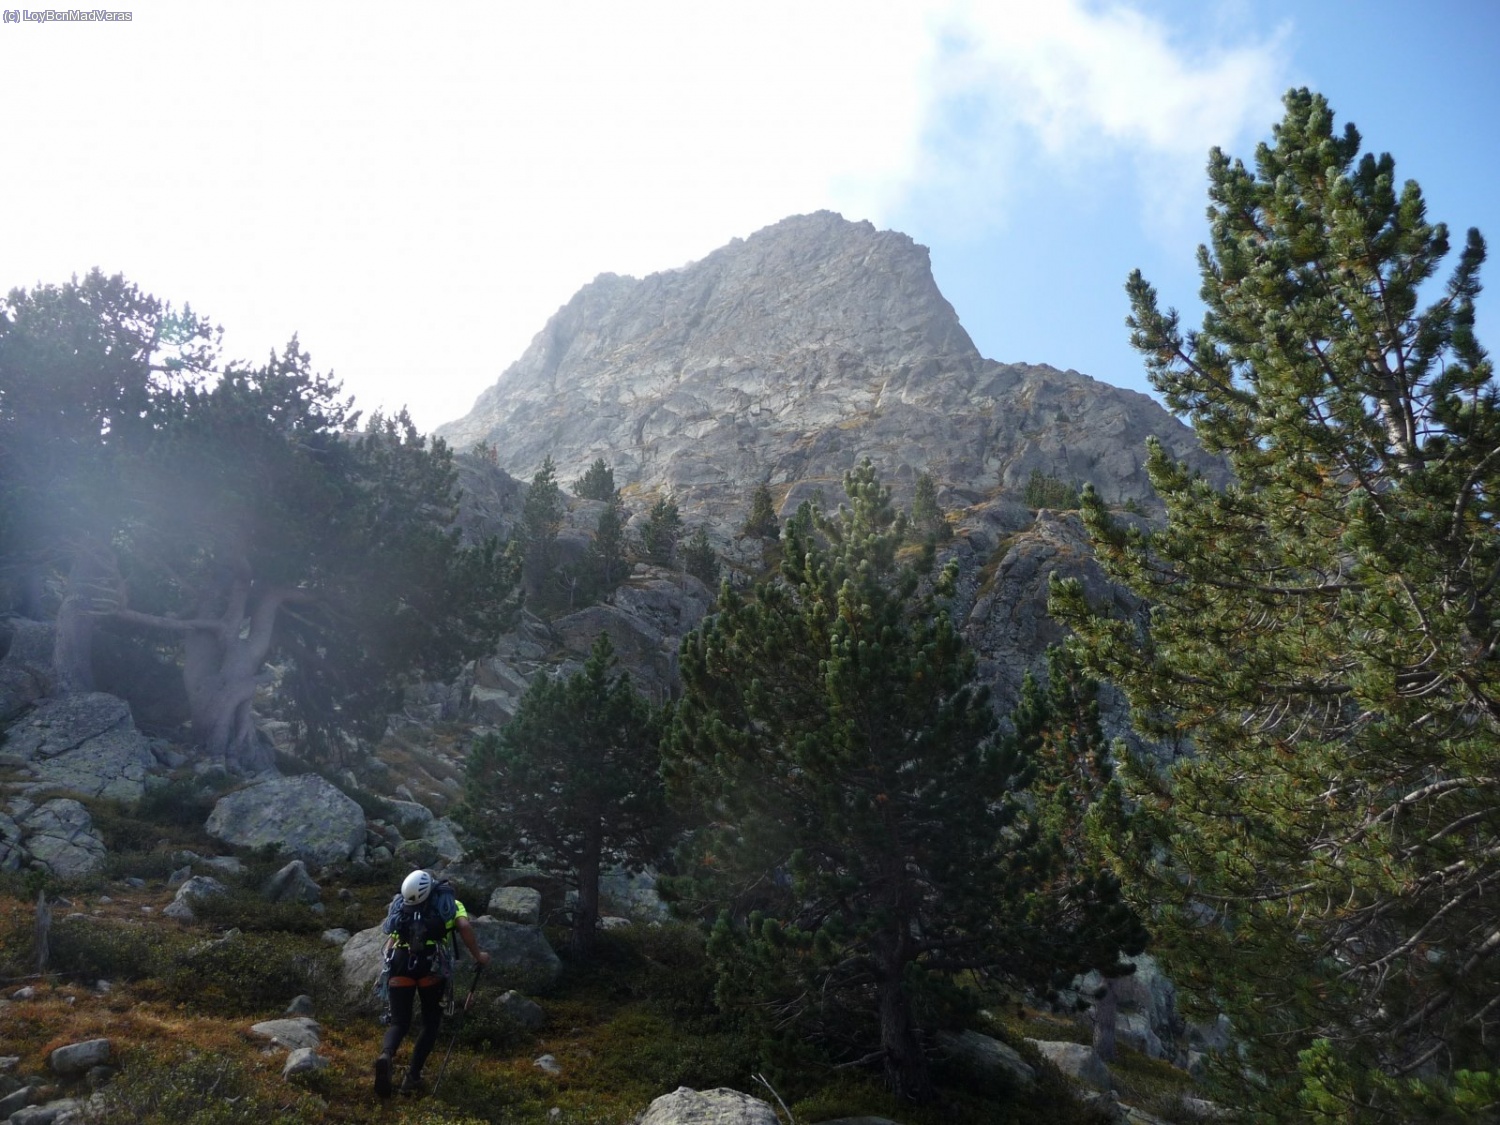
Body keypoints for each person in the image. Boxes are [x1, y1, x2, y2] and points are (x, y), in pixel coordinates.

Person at [373, 869, 490, 1097]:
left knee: (399, 1022)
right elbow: (464, 927)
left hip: (400, 963)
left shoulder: (403, 907)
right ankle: (412, 1077)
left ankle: (386, 1055)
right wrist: (479, 956)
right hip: (431, 965)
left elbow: (391, 941)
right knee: (430, 1022)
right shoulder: (450, 903)